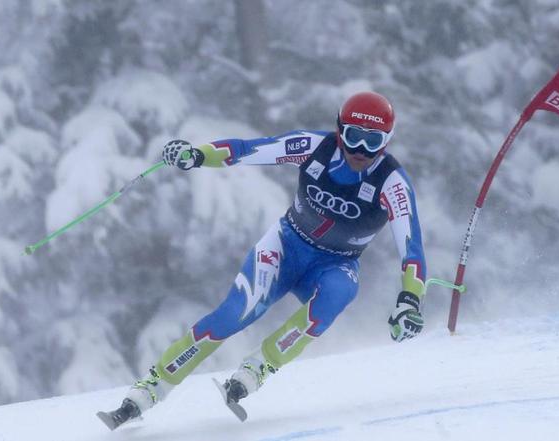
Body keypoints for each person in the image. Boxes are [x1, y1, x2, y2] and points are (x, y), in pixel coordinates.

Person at [99, 91, 427, 429]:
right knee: (233, 314)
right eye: (353, 137)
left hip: (335, 263)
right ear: (339, 129)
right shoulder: (314, 146)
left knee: (339, 292)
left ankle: (258, 368)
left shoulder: (392, 181)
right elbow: (247, 150)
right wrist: (197, 155)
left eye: (373, 141)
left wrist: (409, 300)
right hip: (286, 246)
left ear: (387, 141)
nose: (361, 150)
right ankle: (152, 387)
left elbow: (412, 247)